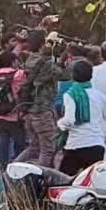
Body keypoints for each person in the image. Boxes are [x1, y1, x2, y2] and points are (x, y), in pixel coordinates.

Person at [14, 30, 67, 169]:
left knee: (34, 148)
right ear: (43, 43)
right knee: (47, 149)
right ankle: (40, 180)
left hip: (31, 109)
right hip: (42, 110)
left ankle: (13, 169)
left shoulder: (30, 60)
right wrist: (62, 56)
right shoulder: (45, 63)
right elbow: (62, 73)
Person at [56, 60, 106, 175]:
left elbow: (69, 120)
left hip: (76, 145)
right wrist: (104, 137)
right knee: (93, 184)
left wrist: (59, 124)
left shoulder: (70, 95)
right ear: (91, 75)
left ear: (73, 76)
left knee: (64, 182)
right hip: (97, 146)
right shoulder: (100, 96)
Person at [0, 50, 27, 169]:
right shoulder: (19, 74)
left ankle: (4, 172)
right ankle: (16, 174)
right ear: (13, 61)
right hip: (15, 115)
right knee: (19, 148)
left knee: (2, 149)